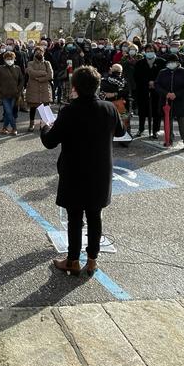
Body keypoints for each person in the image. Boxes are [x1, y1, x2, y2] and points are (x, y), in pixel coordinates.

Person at [40, 66, 125, 275]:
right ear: (97, 86)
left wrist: (45, 126)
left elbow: (50, 142)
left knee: (75, 218)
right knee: (95, 216)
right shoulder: (108, 108)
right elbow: (121, 131)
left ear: (75, 87)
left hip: (74, 171)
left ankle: (72, 260)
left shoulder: (69, 110)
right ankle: (92, 261)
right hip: (100, 172)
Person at [155, 54, 184, 150]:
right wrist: (166, 94)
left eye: (173, 62)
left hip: (181, 101)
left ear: (178, 62)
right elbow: (157, 85)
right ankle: (168, 140)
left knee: (183, 123)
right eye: (169, 62)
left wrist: (176, 94)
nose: (171, 64)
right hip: (166, 100)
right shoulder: (162, 72)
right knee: (168, 122)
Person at [132, 46, 163, 137]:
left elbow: (163, 75)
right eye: (148, 51)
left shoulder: (161, 62)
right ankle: (141, 129)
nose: (150, 52)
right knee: (142, 110)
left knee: (156, 111)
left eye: (152, 50)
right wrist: (147, 82)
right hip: (143, 90)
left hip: (157, 90)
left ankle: (155, 130)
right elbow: (136, 76)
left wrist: (155, 82)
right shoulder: (139, 63)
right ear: (145, 52)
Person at [0, 50, 24, 135]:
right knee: (9, 111)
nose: (9, 60)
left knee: (8, 112)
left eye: (11, 58)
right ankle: (14, 128)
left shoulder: (17, 68)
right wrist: (0, 89)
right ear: (4, 59)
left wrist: (19, 89)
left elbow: (22, 80)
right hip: (4, 94)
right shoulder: (0, 68)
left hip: (14, 93)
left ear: (14, 59)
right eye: (7, 58)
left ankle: (4, 128)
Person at [23, 46, 54, 132]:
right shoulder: (30, 63)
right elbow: (31, 73)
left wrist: (40, 78)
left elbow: (50, 75)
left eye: (40, 51)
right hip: (33, 88)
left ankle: (43, 124)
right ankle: (31, 124)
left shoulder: (47, 63)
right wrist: (43, 73)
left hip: (44, 88)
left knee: (44, 107)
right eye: (37, 52)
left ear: (43, 53)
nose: (38, 53)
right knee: (33, 107)